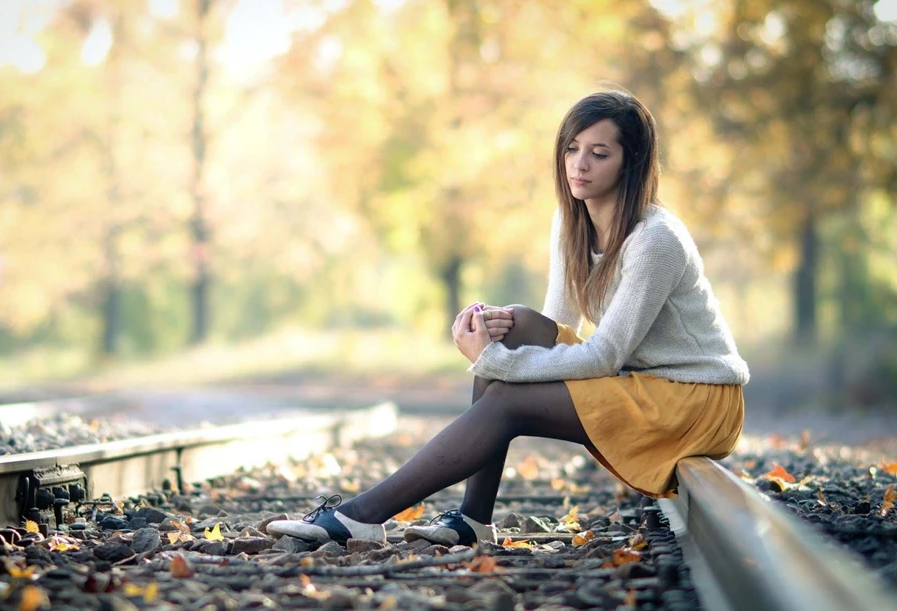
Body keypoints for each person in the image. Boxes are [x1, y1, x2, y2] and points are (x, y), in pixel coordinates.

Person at [267, 90, 749, 547]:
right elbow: (556, 323)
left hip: (694, 400)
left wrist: (496, 363)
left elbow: (604, 355)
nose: (579, 164)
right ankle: (474, 520)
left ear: (632, 162)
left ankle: (361, 517)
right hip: (641, 383)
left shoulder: (655, 239)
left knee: (505, 399)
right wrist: (496, 337)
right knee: (514, 323)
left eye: (600, 153)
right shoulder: (571, 221)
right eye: (572, 148)